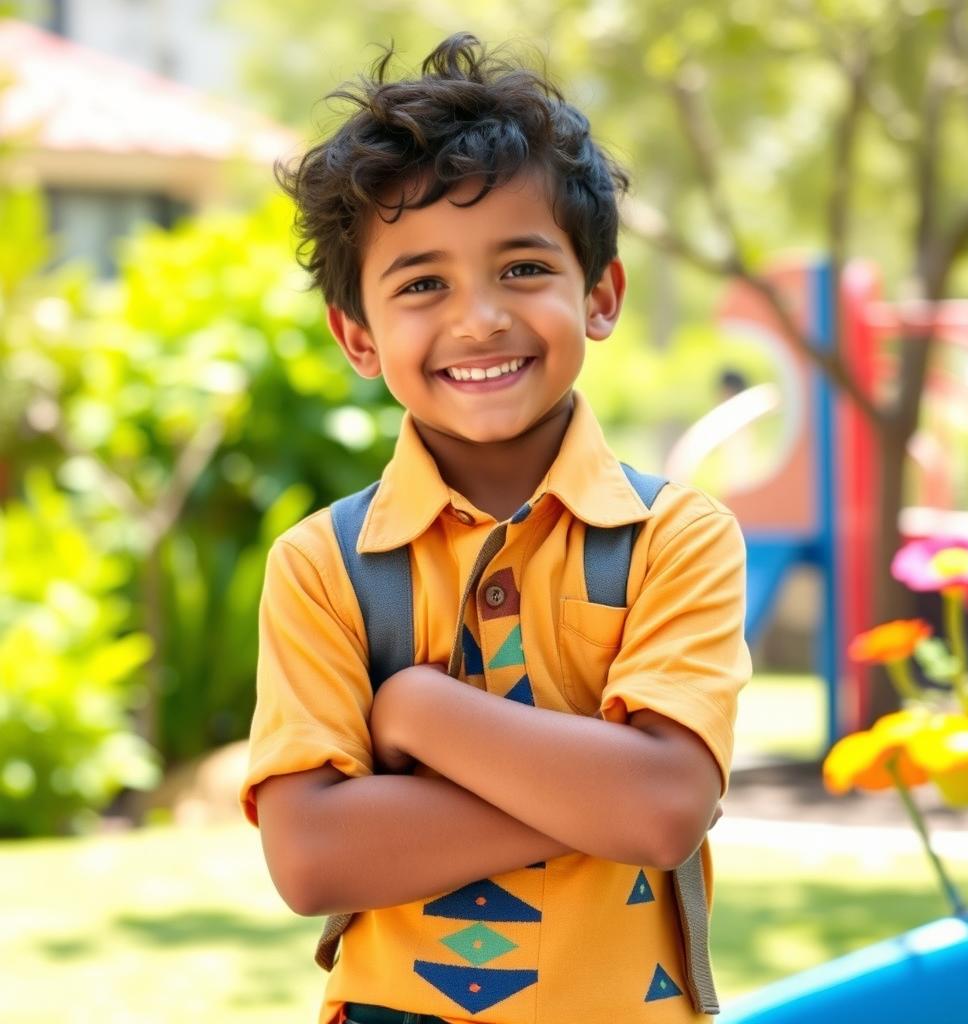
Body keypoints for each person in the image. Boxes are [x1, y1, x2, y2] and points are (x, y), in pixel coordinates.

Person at [239, 32, 751, 1024]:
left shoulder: (677, 537)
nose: (478, 319)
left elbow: (659, 809)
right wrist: (588, 792)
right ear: (358, 336)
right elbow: (311, 858)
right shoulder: (322, 567)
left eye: (521, 267)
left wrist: (420, 712)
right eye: (421, 283)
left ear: (598, 296)